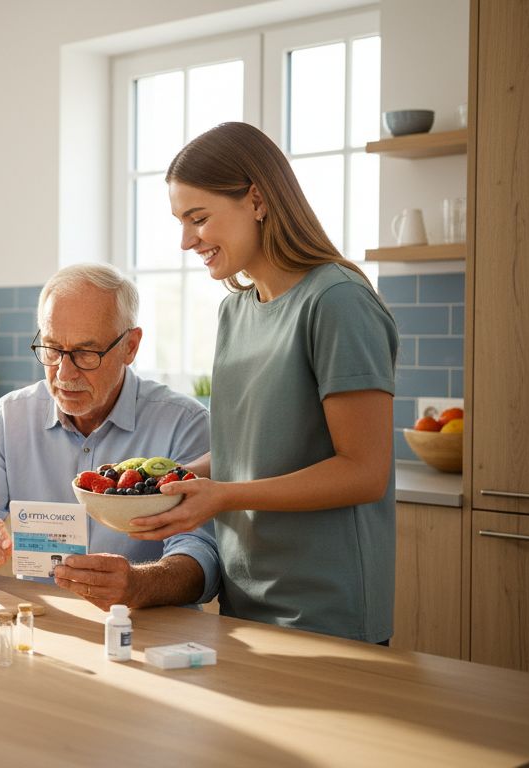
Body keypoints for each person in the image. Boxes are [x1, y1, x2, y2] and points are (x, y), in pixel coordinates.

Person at [139, 121, 399, 644]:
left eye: (198, 218)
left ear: (256, 199)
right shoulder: (235, 311)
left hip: (324, 607)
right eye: (180, 221)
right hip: (242, 600)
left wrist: (222, 496)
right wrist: (173, 484)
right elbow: (249, 447)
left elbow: (365, 471)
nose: (187, 240)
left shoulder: (337, 301)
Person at [0, 264, 219, 611]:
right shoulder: (9, 417)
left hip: (146, 633)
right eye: (51, 349)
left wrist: (138, 585)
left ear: (130, 346)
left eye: (86, 353)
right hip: (45, 629)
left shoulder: (184, 423)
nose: (64, 374)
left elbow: (203, 560)